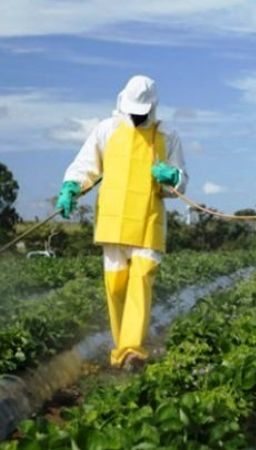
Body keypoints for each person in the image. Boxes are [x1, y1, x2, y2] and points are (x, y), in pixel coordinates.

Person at [56, 75, 188, 369]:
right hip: (113, 222)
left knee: (141, 279)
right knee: (115, 286)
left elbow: (180, 182)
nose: (137, 116)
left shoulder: (167, 135)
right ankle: (121, 351)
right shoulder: (107, 130)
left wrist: (172, 177)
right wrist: (70, 188)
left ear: (152, 107)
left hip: (147, 220)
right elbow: (85, 165)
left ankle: (132, 351)